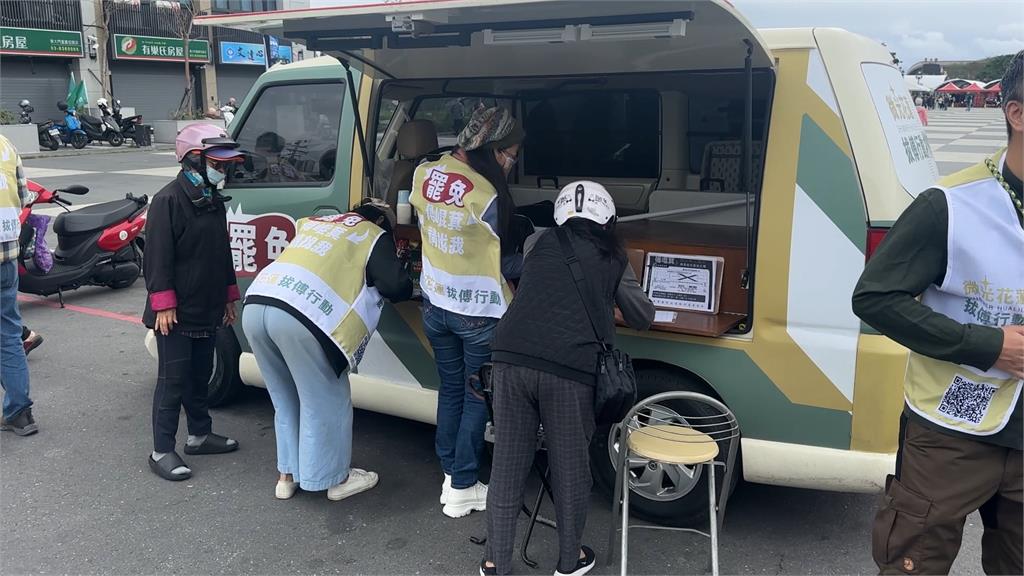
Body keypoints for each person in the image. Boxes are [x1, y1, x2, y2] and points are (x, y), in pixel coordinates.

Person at [853, 50, 1024, 576]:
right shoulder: (950, 205)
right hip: (952, 431)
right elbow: (875, 297)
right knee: (914, 563)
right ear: (1017, 114)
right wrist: (987, 345)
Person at [481, 181, 655, 576]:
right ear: (608, 219)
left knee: (508, 466)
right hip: (570, 369)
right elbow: (642, 316)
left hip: (510, 358)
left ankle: (494, 563)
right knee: (571, 469)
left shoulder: (536, 242)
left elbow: (543, 285)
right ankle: (569, 560)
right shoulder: (613, 256)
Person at [242, 199, 412, 501]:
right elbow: (395, 285)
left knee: (285, 397)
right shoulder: (372, 234)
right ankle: (335, 479)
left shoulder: (317, 224)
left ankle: (287, 477)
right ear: (381, 222)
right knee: (325, 397)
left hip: (257, 305)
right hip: (301, 316)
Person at [409, 105, 526, 518]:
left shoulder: (425, 173)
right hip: (476, 310)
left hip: (435, 302)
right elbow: (501, 258)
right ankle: (462, 485)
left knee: (452, 388)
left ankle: (449, 470)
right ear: (492, 151)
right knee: (478, 395)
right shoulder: (486, 193)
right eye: (510, 156)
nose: (511, 164)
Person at [143, 123, 244, 482]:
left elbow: (221, 253)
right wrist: (164, 304)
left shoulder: (212, 199)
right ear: (193, 160)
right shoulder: (167, 200)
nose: (223, 170)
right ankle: (161, 450)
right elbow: (156, 258)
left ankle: (200, 435)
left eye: (226, 164)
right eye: (217, 163)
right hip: (175, 312)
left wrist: (228, 297)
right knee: (173, 380)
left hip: (207, 305)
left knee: (200, 376)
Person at [0, 134, 38, 436]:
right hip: (6, 258)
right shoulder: (6, 145)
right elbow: (25, 196)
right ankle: (19, 413)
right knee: (9, 335)